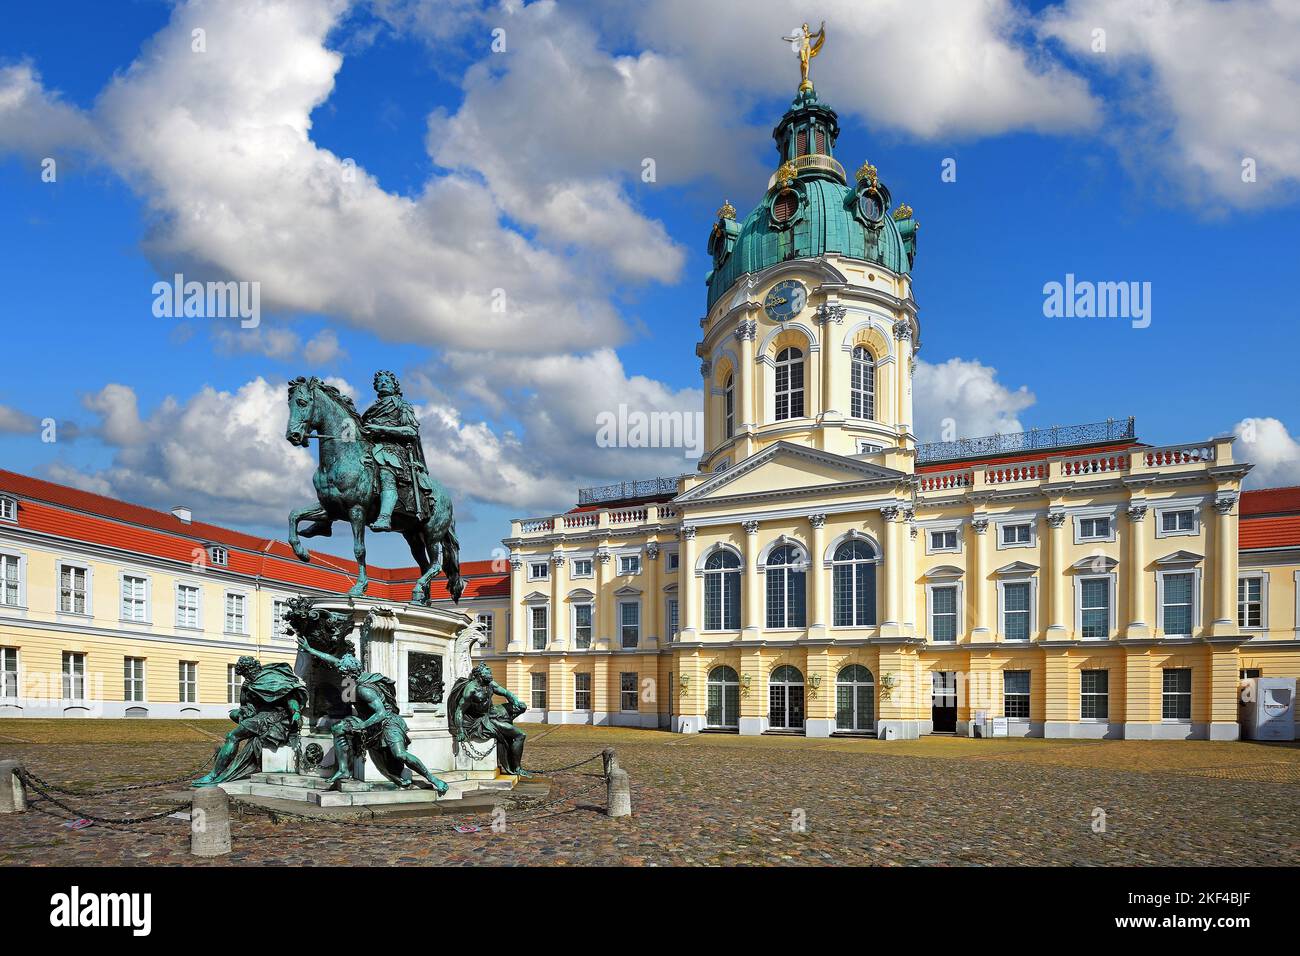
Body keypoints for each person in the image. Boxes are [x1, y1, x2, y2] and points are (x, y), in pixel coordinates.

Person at [296, 636, 449, 794]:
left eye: (343, 674)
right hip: (370, 720)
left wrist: (362, 725)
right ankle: (344, 770)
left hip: (388, 722)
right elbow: (335, 662)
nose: (341, 676)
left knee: (400, 754)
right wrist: (310, 650)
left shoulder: (363, 689)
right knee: (338, 728)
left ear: (351, 673)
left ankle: (432, 778)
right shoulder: (353, 678)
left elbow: (381, 713)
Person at [194, 656, 307, 787]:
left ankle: (214, 775)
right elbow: (249, 707)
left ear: (251, 669)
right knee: (234, 724)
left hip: (276, 717)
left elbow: (290, 695)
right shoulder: (249, 683)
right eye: (244, 674)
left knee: (232, 736)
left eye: (246, 673)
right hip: (261, 716)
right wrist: (241, 712)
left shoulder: (270, 678)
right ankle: (217, 773)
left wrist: (296, 713)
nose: (246, 676)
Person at [360, 369, 432, 531]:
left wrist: (380, 429)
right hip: (370, 449)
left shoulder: (402, 405)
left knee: (386, 473)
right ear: (376, 388)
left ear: (394, 386)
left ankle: (385, 518)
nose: (383, 383)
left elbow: (411, 431)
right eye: (380, 382)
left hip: (394, 450)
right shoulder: (371, 409)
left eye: (387, 381)